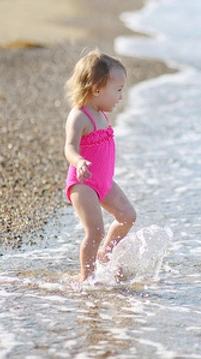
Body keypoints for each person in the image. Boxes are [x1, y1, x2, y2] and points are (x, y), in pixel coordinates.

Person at [63, 49, 136, 282]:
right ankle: (87, 280)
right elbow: (69, 147)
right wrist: (79, 161)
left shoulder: (102, 113)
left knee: (127, 216)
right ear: (96, 89)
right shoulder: (80, 116)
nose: (121, 97)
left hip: (104, 182)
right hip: (83, 184)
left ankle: (106, 253)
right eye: (118, 90)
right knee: (95, 231)